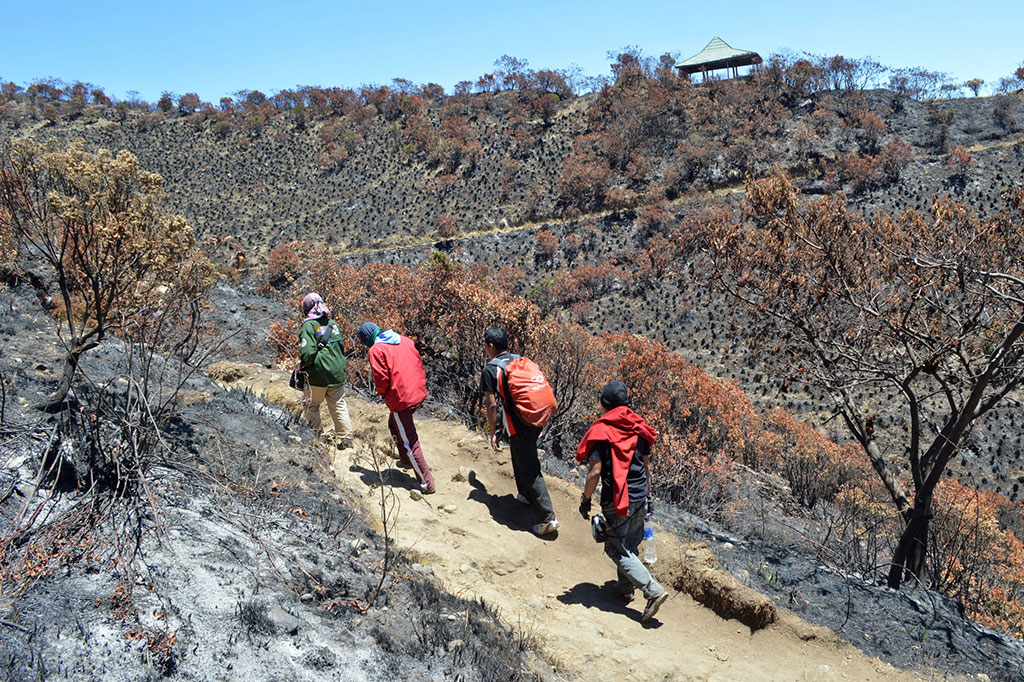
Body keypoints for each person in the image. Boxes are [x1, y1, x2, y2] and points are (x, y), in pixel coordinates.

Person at [576, 380, 668, 622]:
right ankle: (626, 589)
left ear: (604, 404)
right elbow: (646, 468)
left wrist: (585, 499)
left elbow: (594, 472)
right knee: (630, 544)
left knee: (615, 547)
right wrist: (648, 496)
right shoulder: (640, 428)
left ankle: (652, 590)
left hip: (616, 500)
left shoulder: (601, 432)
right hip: (640, 497)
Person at [480, 326, 558, 536]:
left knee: (530, 466)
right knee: (520, 451)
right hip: (537, 414)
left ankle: (547, 519)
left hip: (520, 419)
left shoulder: (491, 370)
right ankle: (525, 494)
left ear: (490, 346)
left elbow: (492, 405)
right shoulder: (519, 360)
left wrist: (493, 431)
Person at [357, 322, 435, 494]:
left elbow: (381, 380)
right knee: (394, 425)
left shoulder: (376, 350)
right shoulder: (404, 340)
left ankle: (426, 482)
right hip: (418, 390)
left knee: (410, 441)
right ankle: (406, 461)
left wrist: (383, 394)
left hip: (401, 398)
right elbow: (417, 362)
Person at [298, 293, 353, 449]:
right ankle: (346, 440)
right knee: (339, 405)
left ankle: (316, 438)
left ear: (307, 308)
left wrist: (304, 366)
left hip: (318, 375)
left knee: (311, 405)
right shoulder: (333, 324)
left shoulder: (309, 326)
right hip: (337, 373)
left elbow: (307, 353)